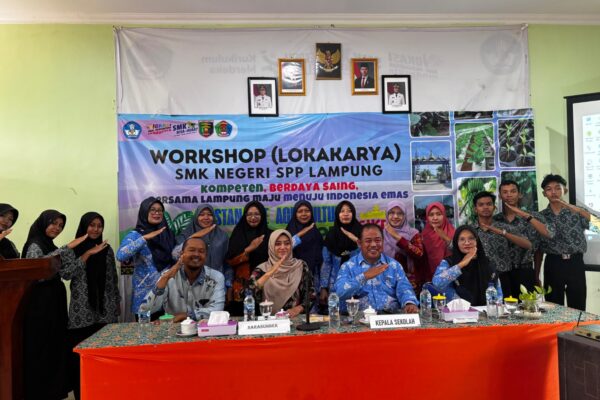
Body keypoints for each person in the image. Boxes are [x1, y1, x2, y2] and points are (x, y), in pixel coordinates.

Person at [22, 210, 88, 400]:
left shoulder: (50, 245)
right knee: (42, 347)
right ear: (44, 222)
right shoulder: (35, 244)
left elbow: (66, 273)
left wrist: (86, 255)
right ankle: (40, 392)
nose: (57, 228)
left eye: (60, 225)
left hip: (53, 304)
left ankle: (53, 391)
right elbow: (36, 272)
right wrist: (67, 247)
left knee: (55, 345)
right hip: (40, 305)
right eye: (53, 223)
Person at [62, 212, 120, 400]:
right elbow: (66, 274)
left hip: (105, 310)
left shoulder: (107, 249)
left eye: (99, 226)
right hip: (81, 311)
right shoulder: (73, 248)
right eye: (92, 225)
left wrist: (116, 303)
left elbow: (112, 278)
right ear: (84, 226)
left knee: (104, 356)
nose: (96, 229)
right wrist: (87, 254)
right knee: (81, 358)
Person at [334, 223, 418, 313]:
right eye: (368, 241)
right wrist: (364, 276)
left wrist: (409, 303)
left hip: (390, 317)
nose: (373, 244)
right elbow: (340, 292)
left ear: (383, 241)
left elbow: (404, 288)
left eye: (378, 240)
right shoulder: (348, 267)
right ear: (359, 243)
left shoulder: (394, 265)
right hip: (359, 318)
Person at [537, 174, 590, 311]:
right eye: (549, 189)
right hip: (553, 263)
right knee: (553, 306)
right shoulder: (541, 216)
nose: (553, 192)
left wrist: (579, 210)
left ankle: (577, 326)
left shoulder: (577, 212)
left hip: (575, 262)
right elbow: (538, 248)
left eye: (557, 188)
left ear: (564, 190)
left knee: (578, 305)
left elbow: (598, 225)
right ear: (544, 193)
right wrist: (536, 274)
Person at [116, 197, 176, 318]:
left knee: (168, 329)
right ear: (144, 212)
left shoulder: (167, 234)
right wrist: (144, 238)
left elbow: (175, 257)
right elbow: (120, 255)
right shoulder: (135, 235)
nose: (157, 213)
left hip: (167, 298)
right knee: (145, 330)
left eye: (160, 210)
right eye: (152, 209)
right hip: (145, 299)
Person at [494, 180, 555, 296]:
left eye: (513, 191)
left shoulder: (534, 217)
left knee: (527, 306)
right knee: (504, 307)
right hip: (502, 274)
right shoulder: (495, 220)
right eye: (505, 192)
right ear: (500, 196)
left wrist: (536, 275)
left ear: (520, 194)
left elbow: (540, 248)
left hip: (525, 271)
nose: (509, 195)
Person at [143, 237, 225, 321]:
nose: (196, 254)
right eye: (191, 250)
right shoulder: (169, 276)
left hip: (204, 327)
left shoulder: (216, 277)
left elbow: (217, 310)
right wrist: (165, 278)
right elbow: (145, 309)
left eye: (201, 251)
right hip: (173, 327)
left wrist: (185, 316)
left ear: (206, 256)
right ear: (181, 254)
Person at [470, 191, 532, 298]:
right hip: (479, 277)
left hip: (503, 276)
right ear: (475, 209)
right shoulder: (469, 230)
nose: (485, 207)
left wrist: (503, 233)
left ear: (494, 207)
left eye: (489, 204)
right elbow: (455, 247)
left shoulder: (505, 227)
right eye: (481, 205)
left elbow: (528, 245)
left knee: (506, 307)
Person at [249, 229, 314, 318]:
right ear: (271, 246)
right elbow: (248, 293)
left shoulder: (301, 266)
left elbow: (311, 295)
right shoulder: (261, 269)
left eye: (287, 243)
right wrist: (270, 272)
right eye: (278, 244)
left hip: (294, 320)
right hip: (268, 322)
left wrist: (298, 309)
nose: (283, 247)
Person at [432, 225, 503, 306]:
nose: (467, 242)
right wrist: (462, 264)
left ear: (477, 241)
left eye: (471, 238)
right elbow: (437, 283)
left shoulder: (487, 262)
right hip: (459, 311)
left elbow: (498, 293)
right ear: (456, 242)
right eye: (462, 239)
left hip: (485, 311)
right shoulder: (448, 262)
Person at [225, 201, 273, 315]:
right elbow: (230, 261)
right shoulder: (238, 234)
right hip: (242, 287)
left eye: (257, 214)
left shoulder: (270, 235)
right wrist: (248, 250)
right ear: (245, 216)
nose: (253, 217)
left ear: (262, 215)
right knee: (244, 318)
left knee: (265, 317)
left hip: (266, 284)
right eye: (249, 214)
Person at [172, 204, 231, 292]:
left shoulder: (222, 236)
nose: (206, 217)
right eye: (202, 214)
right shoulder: (185, 235)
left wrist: (228, 283)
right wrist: (195, 236)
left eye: (209, 214)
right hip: (189, 284)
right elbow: (175, 256)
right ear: (196, 217)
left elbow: (227, 262)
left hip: (216, 284)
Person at [320, 201, 362, 311]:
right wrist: (324, 287)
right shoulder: (331, 235)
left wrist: (355, 239)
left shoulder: (362, 233)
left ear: (353, 214)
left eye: (349, 211)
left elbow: (369, 256)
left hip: (359, 285)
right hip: (336, 286)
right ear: (337, 214)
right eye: (342, 211)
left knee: (359, 316)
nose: (346, 214)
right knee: (336, 316)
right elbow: (327, 263)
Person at [383, 200, 425, 291]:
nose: (395, 216)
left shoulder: (413, 233)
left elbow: (419, 254)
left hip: (409, 282)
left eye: (400, 213)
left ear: (405, 215)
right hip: (386, 281)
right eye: (392, 213)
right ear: (387, 215)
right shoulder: (381, 234)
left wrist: (397, 236)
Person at [285, 200, 323, 295]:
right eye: (300, 211)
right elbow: (285, 249)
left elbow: (321, 260)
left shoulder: (316, 233)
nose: (304, 214)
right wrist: (301, 233)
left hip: (313, 279)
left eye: (307, 211)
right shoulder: (288, 231)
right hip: (292, 278)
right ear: (295, 214)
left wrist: (323, 287)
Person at [421, 202, 455, 283]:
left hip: (451, 278)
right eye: (431, 215)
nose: (435, 218)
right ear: (427, 217)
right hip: (429, 279)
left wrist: (445, 238)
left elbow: (459, 252)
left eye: (439, 214)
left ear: (444, 215)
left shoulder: (454, 233)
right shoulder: (424, 235)